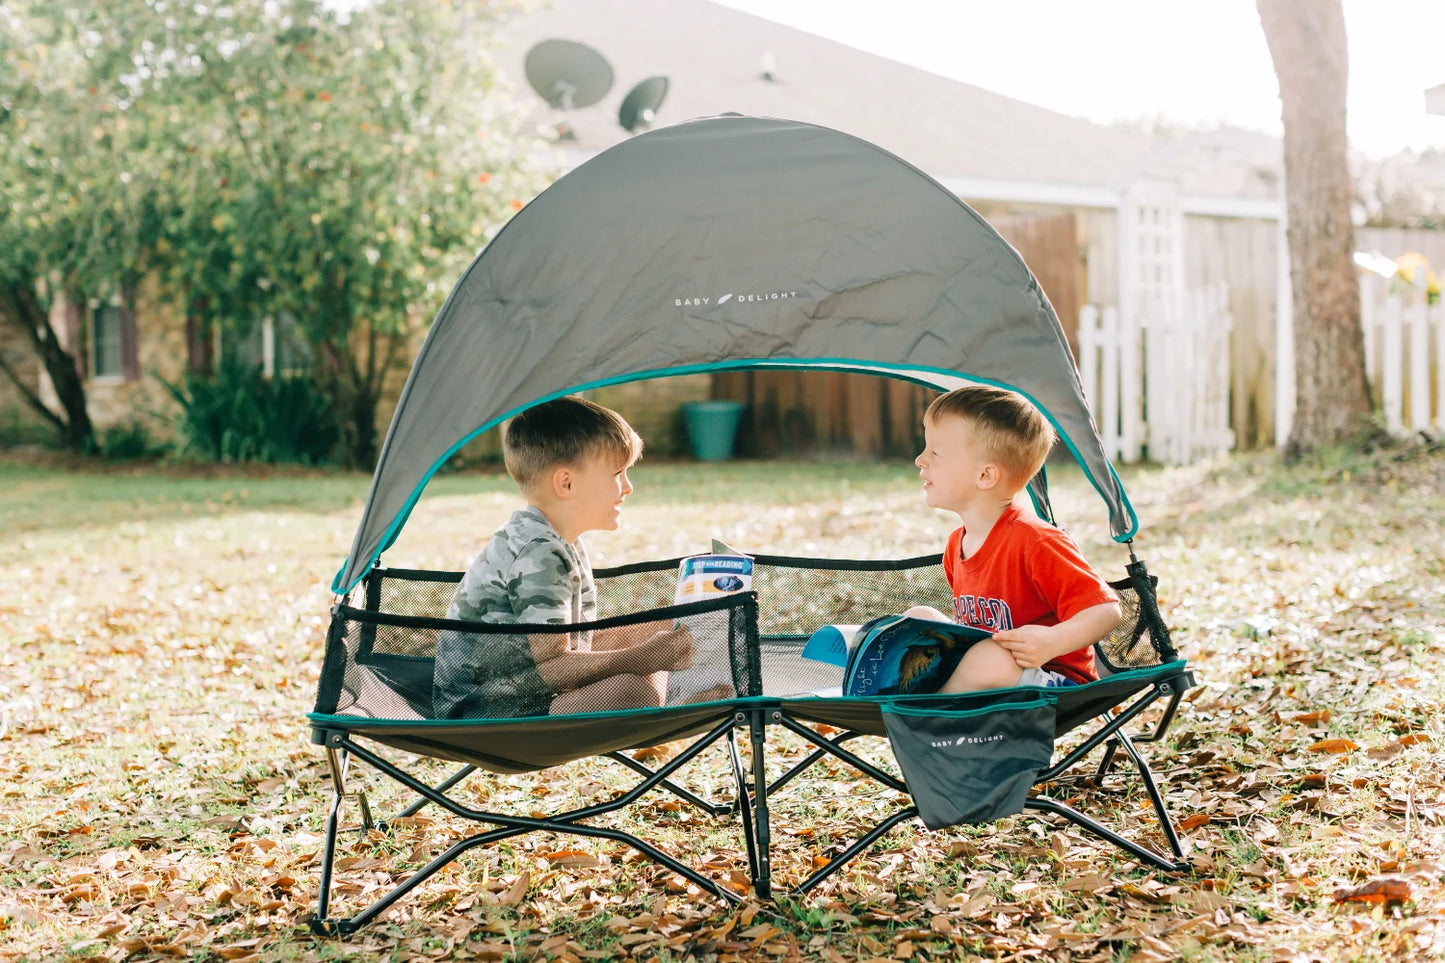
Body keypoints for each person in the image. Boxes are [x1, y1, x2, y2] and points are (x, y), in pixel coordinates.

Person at [432, 396, 713, 719]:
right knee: (633, 691)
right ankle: (686, 705)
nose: (628, 487)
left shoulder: (559, 538)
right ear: (566, 483)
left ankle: (688, 698)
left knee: (659, 635)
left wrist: (657, 634)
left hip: (519, 693)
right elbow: (554, 666)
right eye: (617, 473)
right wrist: (643, 657)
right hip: (482, 712)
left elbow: (576, 646)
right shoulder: (539, 551)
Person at [904, 385, 1121, 692]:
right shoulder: (957, 545)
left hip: (1050, 680)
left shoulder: (1037, 541)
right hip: (988, 670)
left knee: (992, 659)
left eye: (935, 452)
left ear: (985, 476)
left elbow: (1105, 610)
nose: (920, 460)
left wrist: (1053, 641)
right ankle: (914, 691)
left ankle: (923, 708)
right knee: (918, 619)